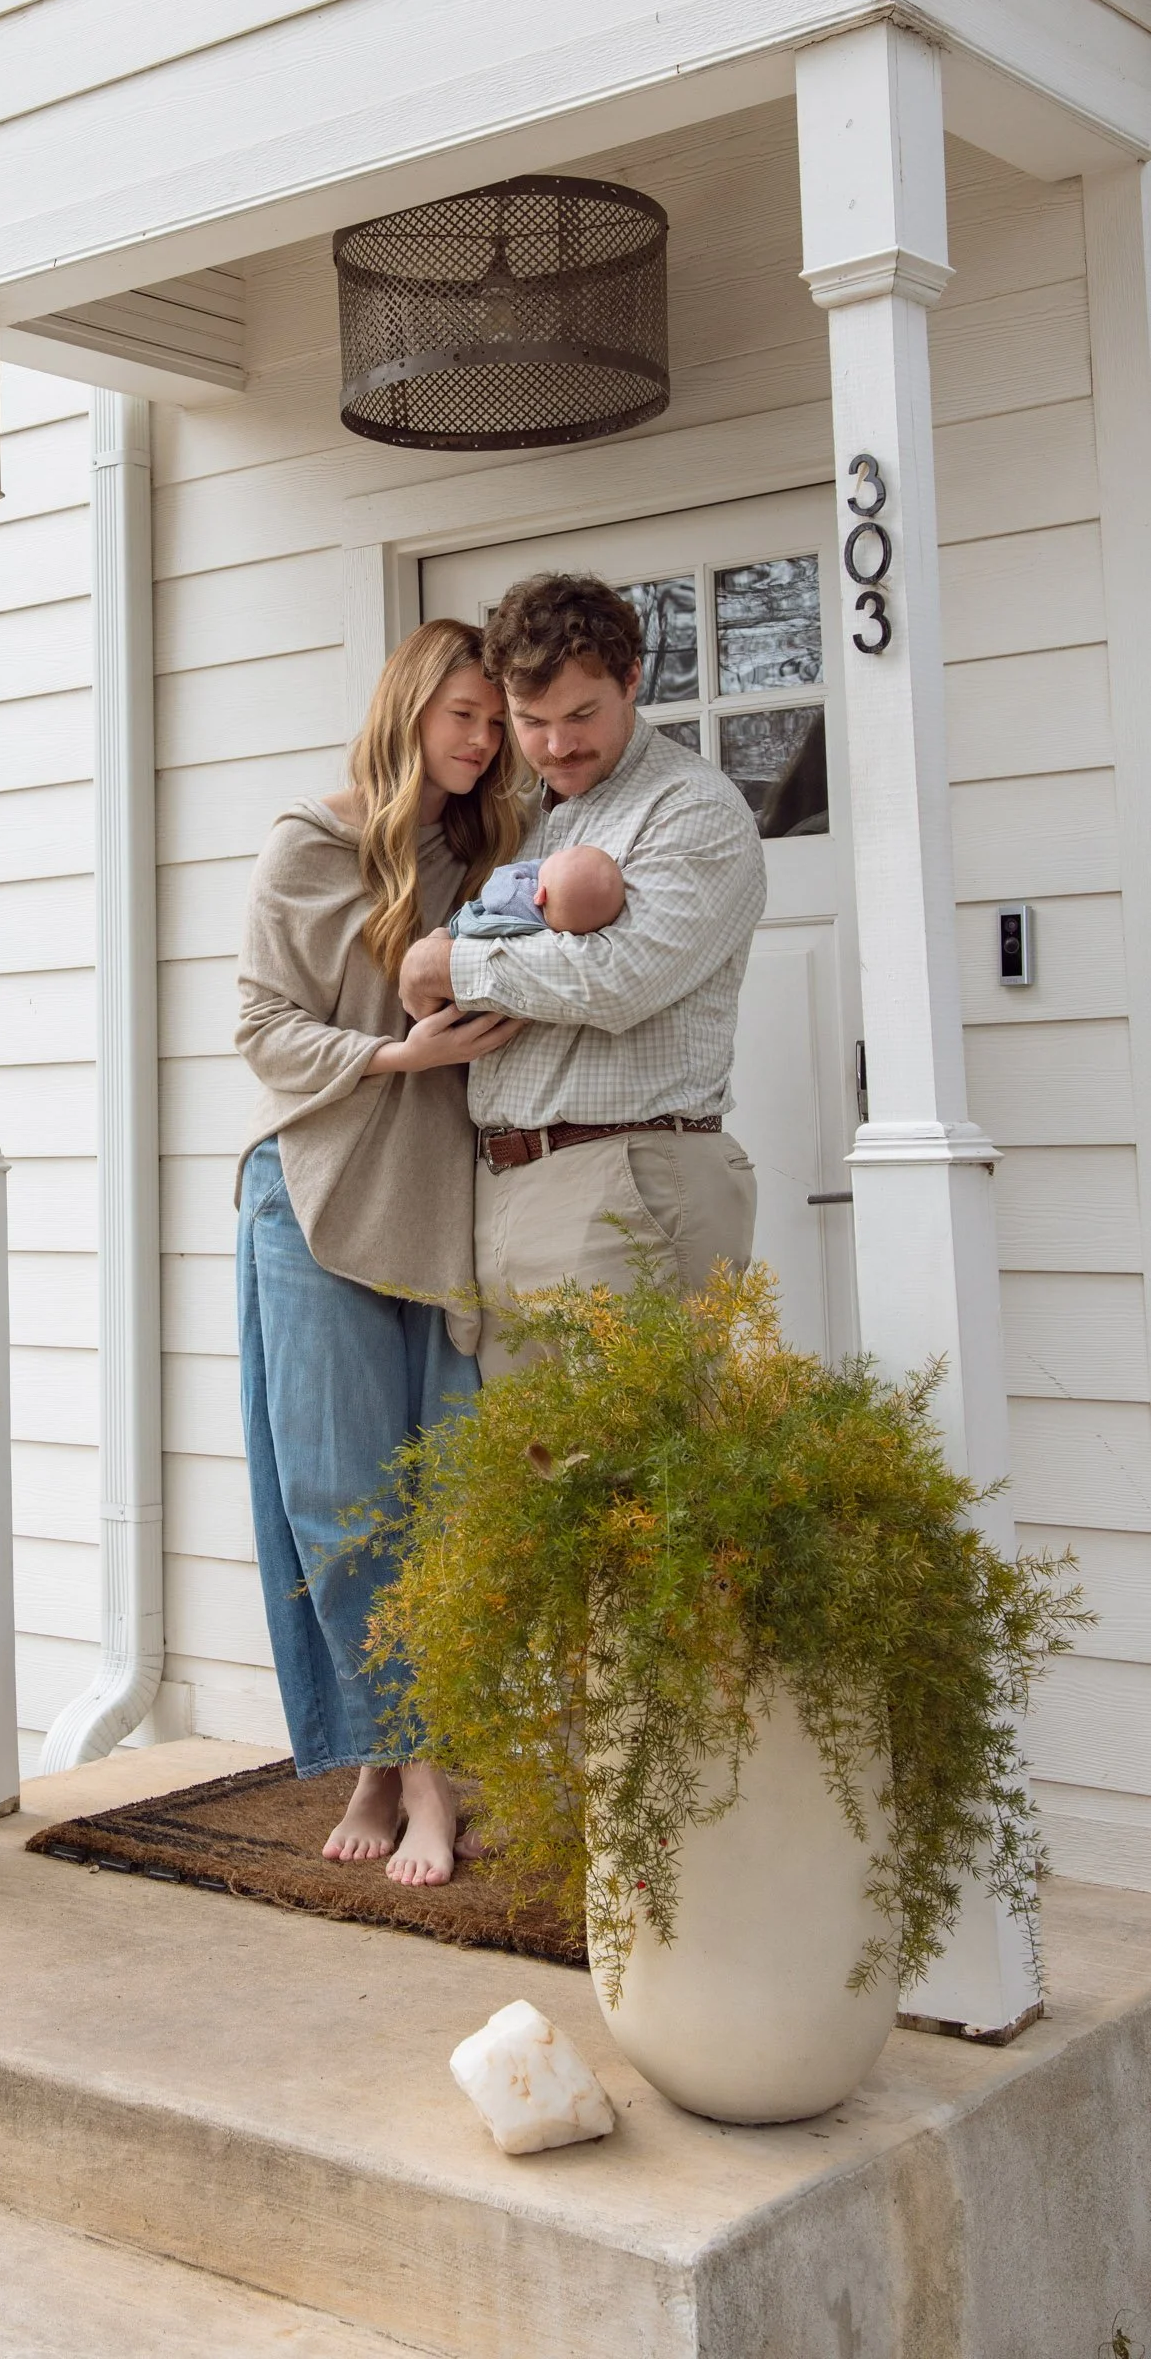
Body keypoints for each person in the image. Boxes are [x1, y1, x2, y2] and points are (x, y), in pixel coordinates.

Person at [234, 621, 529, 1884]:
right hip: (317, 1192)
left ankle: (384, 1754)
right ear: (411, 707)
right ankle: (419, 1777)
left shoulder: (489, 856)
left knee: (443, 1501)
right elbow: (258, 1023)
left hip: (443, 1203)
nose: (481, 741)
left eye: (495, 724)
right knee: (342, 1506)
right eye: (463, 715)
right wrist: (394, 1057)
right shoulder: (314, 840)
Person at [398, 574, 765, 1363]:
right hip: (503, 1189)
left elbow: (617, 978)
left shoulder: (689, 807)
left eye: (580, 715)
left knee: (635, 1477)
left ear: (631, 679)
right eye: (529, 721)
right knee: (533, 1478)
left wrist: (452, 965)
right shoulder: (524, 818)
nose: (556, 744)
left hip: (626, 1178)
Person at [449, 842, 626, 947]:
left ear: (540, 896)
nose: (557, 852)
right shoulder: (560, 934)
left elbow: (496, 882)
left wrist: (536, 868)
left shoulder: (516, 895)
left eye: (561, 854)